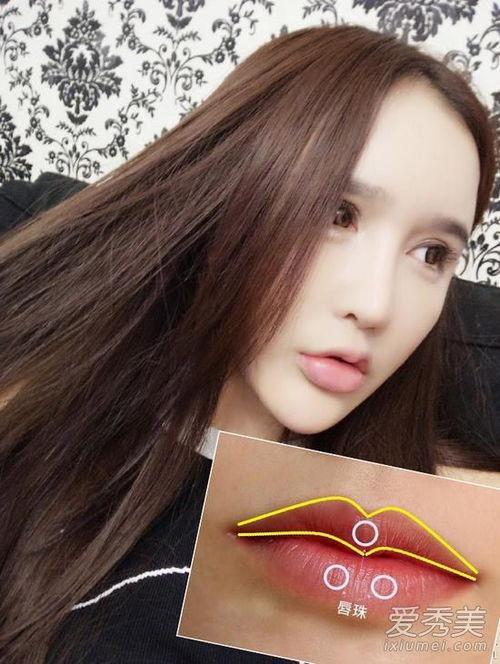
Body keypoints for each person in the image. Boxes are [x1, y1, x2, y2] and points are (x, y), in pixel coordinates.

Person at [0, 23, 497, 664]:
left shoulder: (437, 524)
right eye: (336, 214)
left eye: (432, 254)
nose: (376, 306)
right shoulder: (41, 407)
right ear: (231, 192)